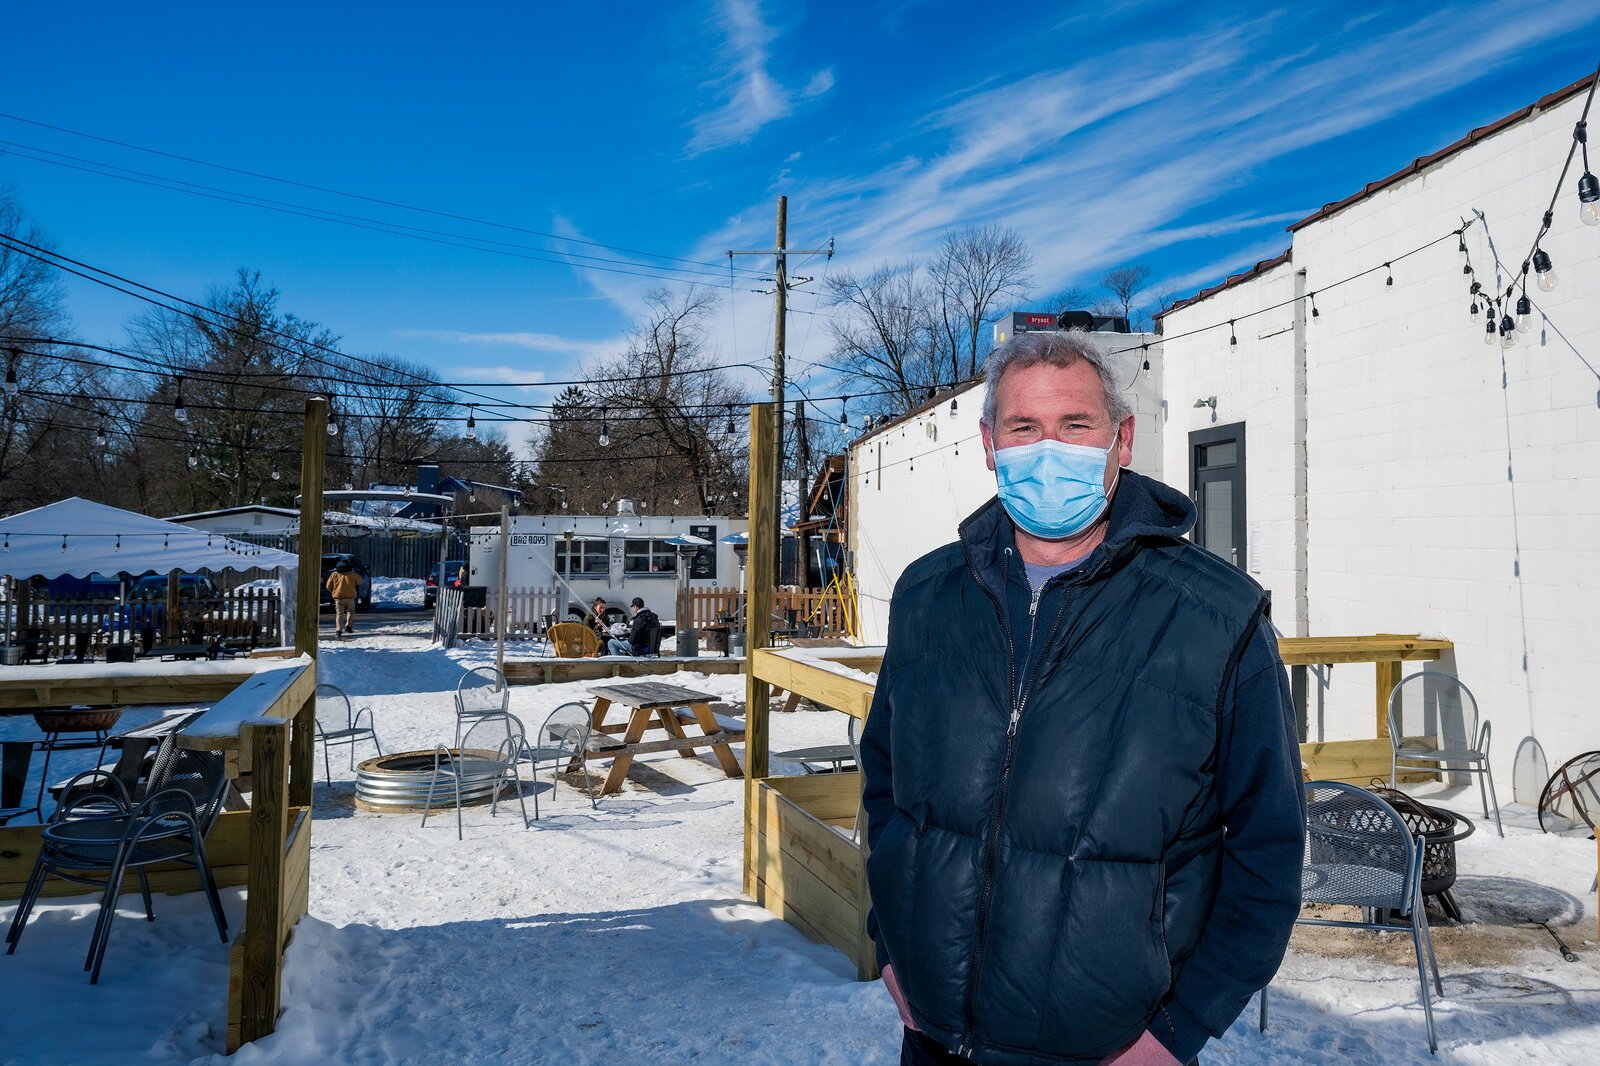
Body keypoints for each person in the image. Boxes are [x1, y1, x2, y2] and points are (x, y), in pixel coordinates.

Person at [860, 331, 1305, 1066]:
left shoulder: (1217, 620)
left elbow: (1269, 849)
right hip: (933, 1039)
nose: (1048, 448)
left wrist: (1178, 1031)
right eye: (1023, 428)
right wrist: (890, 944)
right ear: (988, 443)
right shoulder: (927, 596)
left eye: (1075, 425)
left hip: (1111, 1051)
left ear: (1121, 439)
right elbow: (888, 793)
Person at [325, 558, 361, 637]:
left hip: (338, 598)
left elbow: (328, 585)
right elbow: (359, 581)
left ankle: (338, 630)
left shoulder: (334, 575)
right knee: (350, 612)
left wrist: (333, 591)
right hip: (350, 597)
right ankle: (348, 626)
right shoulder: (352, 574)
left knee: (339, 614)